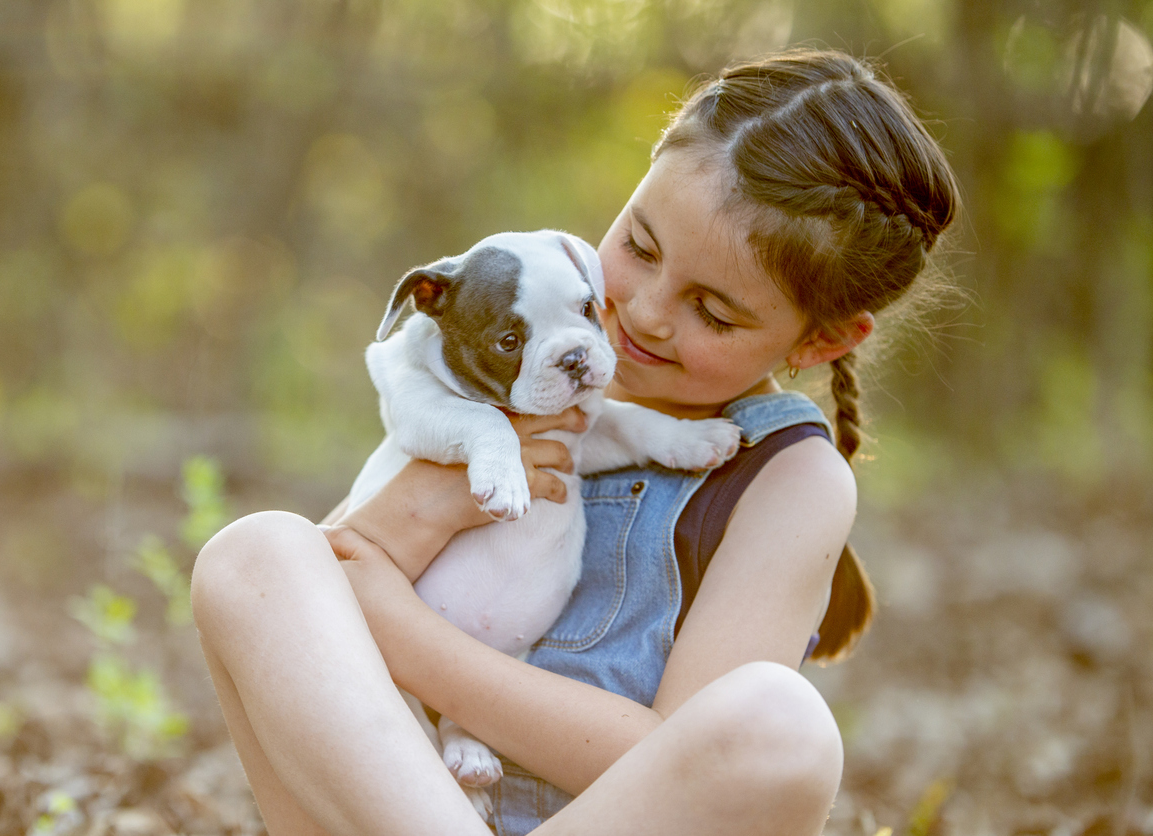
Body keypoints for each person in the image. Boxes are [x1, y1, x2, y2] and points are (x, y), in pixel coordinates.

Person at [190, 48, 959, 836]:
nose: (647, 314)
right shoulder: (511, 369)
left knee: (779, 728)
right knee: (254, 558)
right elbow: (328, 635)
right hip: (395, 808)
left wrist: (404, 633)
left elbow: (675, 757)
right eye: (642, 248)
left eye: (715, 313)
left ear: (823, 340)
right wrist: (429, 504)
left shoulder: (791, 479)